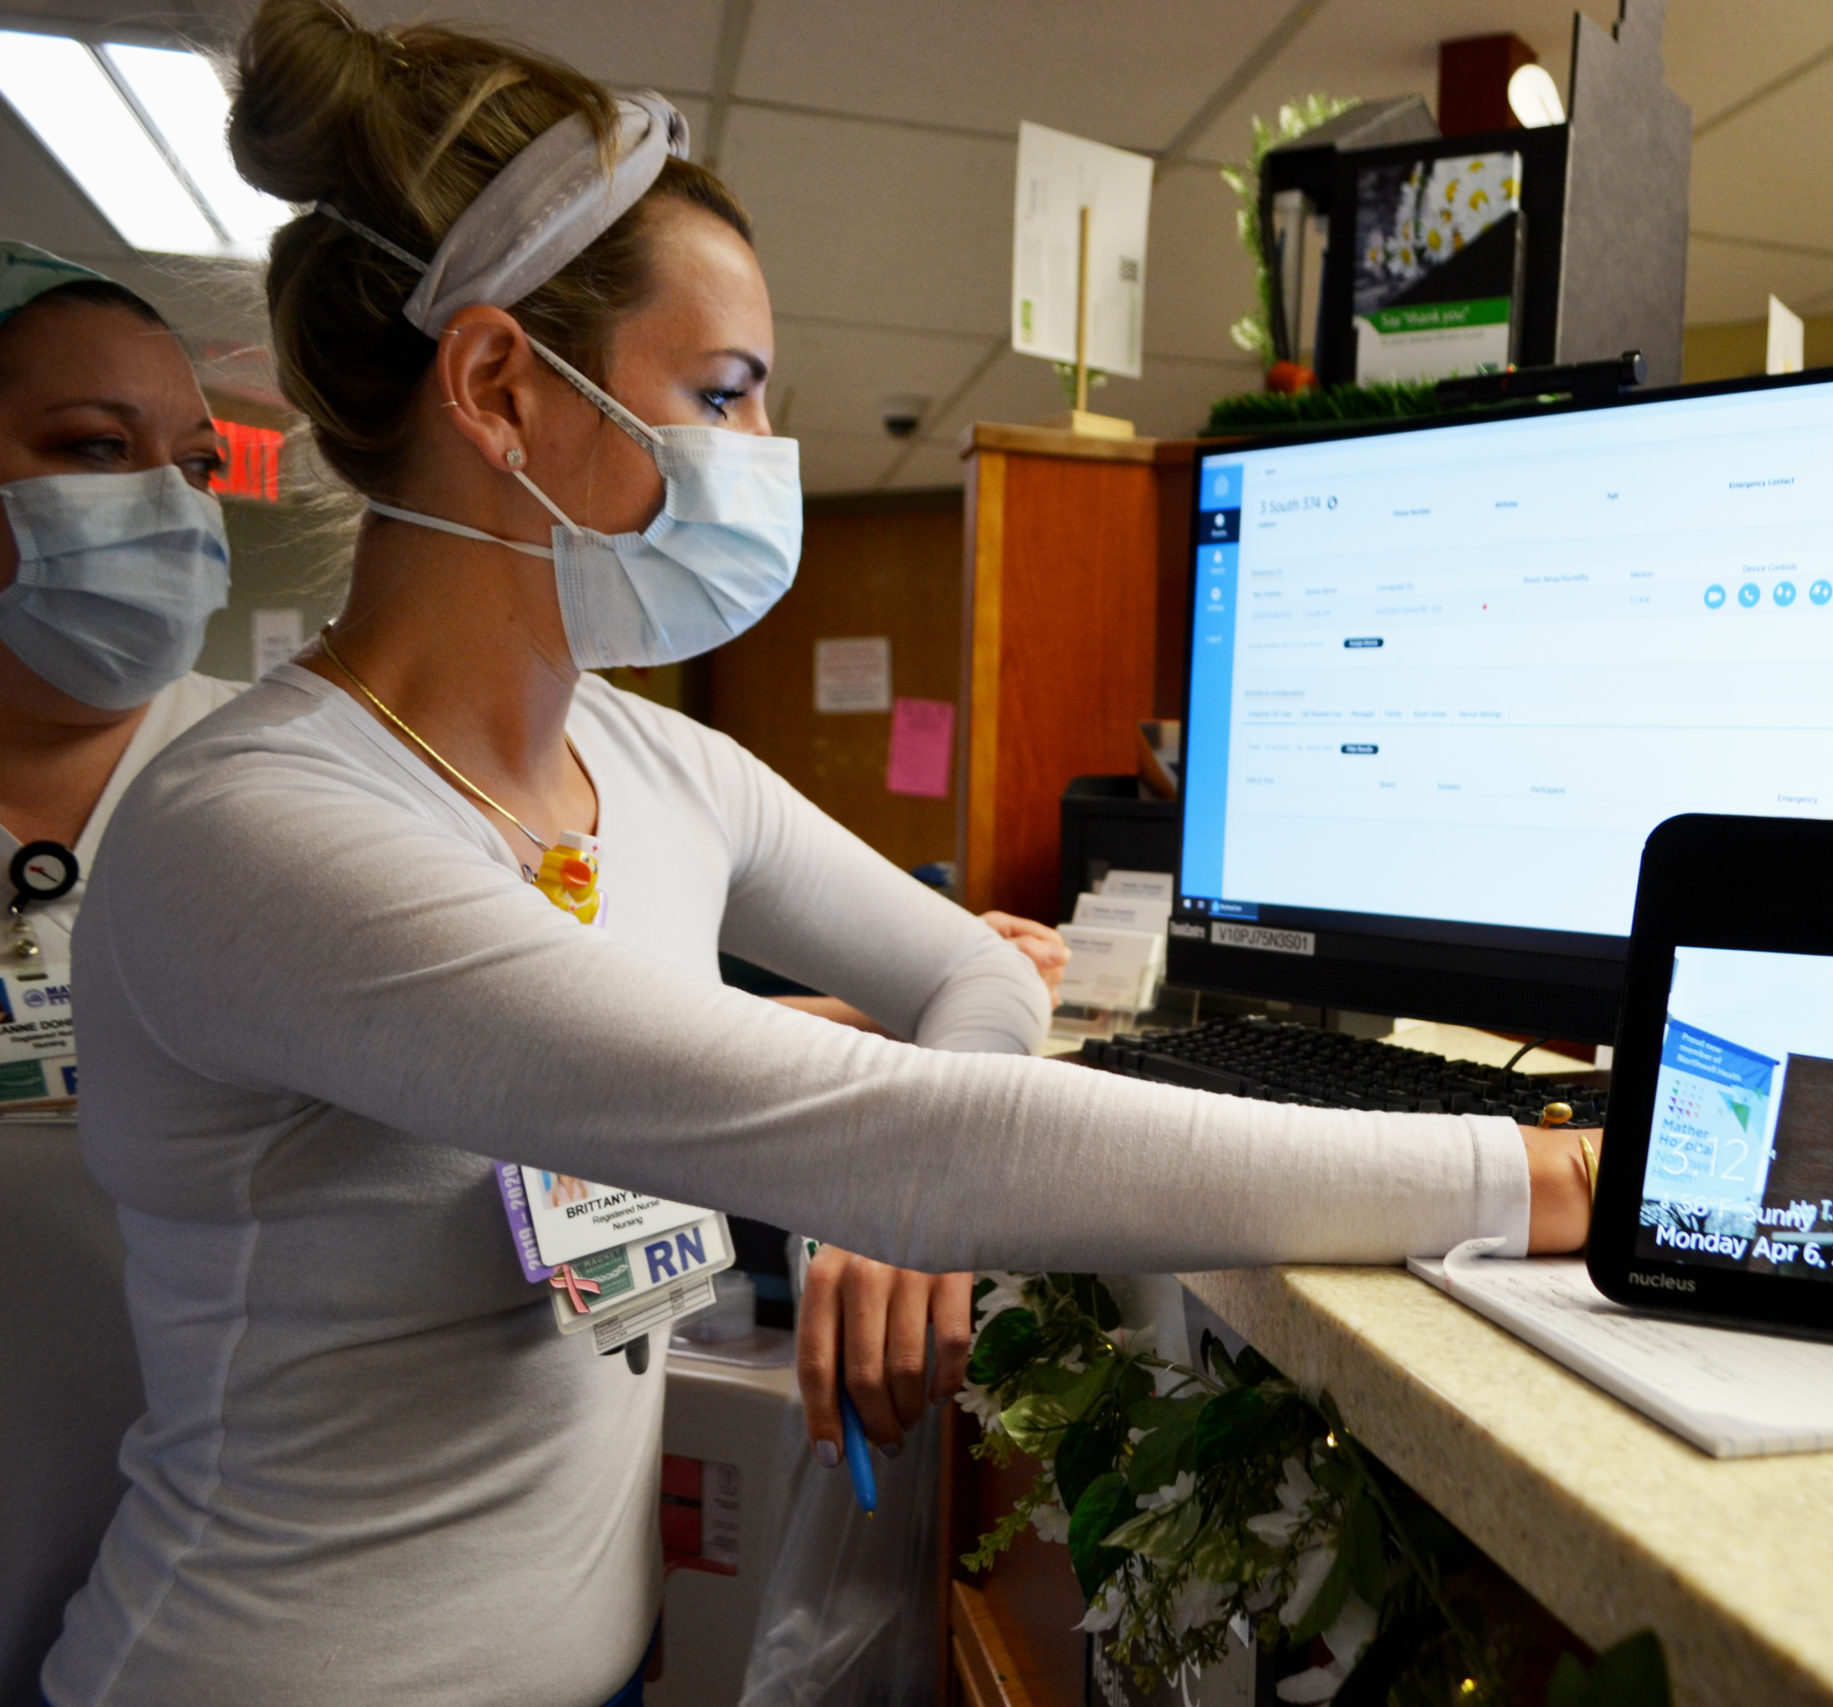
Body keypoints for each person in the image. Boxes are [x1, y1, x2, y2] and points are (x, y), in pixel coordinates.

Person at [41, 7, 1595, 1706]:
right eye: (721, 395)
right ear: (500, 388)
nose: (762, 452)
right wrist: (1543, 1176)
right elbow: (895, 1131)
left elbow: (967, 980)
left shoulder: (654, 764)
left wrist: (899, 1213)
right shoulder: (260, 833)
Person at [0, 243, 243, 1706]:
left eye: (198, 466)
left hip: (222, 1614)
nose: (165, 504)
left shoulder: (285, 785)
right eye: (95, 450)